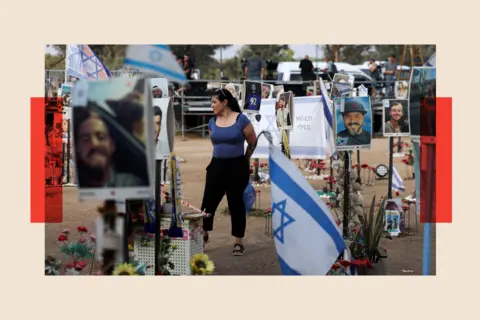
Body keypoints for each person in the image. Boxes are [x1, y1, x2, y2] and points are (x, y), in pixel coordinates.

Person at [201, 88, 257, 256]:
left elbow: (252, 142)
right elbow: (215, 142)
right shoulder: (212, 122)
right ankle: (204, 234)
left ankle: (238, 241)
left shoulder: (241, 120)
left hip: (237, 167)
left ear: (224, 102)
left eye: (214, 102)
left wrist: (245, 159)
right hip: (216, 165)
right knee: (208, 202)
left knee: (236, 203)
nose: (211, 106)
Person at [73, 107, 144, 188]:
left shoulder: (131, 184)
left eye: (101, 137)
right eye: (86, 140)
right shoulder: (75, 191)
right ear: (77, 148)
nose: (94, 144)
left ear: (112, 145)